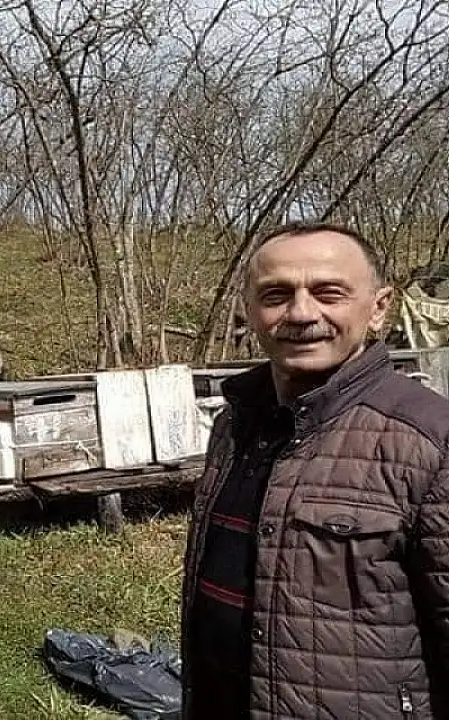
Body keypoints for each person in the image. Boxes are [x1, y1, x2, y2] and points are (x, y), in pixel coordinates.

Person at [181, 221, 449, 719]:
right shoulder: (234, 425)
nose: (302, 313)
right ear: (250, 310)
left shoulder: (430, 440)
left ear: (379, 308)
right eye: (276, 295)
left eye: (329, 293)